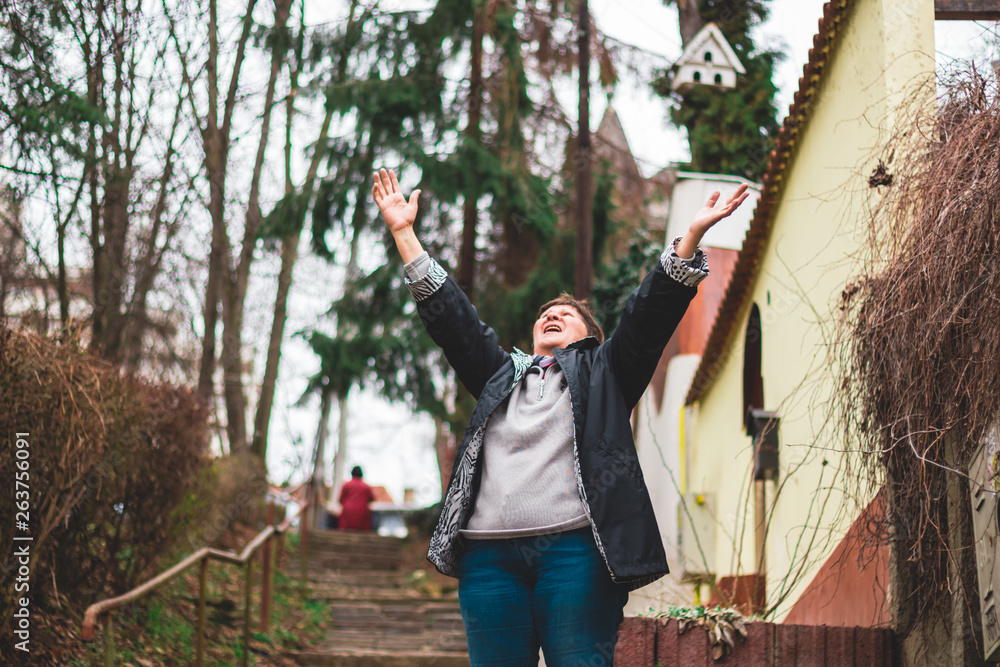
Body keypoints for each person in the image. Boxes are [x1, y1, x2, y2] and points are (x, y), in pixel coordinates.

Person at [371, 168, 749, 666]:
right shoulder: (498, 375)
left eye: (565, 314)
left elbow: (648, 317)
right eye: (545, 313)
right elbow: (453, 320)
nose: (552, 314)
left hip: (575, 556)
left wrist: (692, 237)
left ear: (587, 336)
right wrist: (404, 233)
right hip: (488, 560)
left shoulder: (605, 372)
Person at [338, 466, 375, 531]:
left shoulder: (346, 485)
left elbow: (340, 500)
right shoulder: (366, 487)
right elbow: (372, 499)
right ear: (361, 475)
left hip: (347, 517)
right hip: (362, 517)